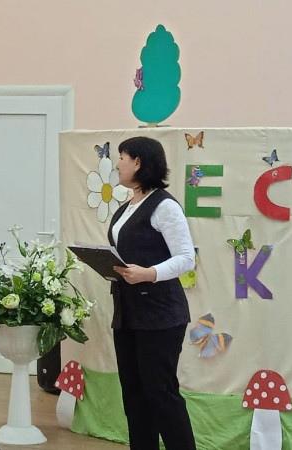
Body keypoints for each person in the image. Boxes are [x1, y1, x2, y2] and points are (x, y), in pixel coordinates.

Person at [108, 137, 196, 450]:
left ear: (138, 162)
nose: (118, 163)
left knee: (160, 393)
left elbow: (186, 258)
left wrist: (149, 273)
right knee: (133, 394)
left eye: (122, 157)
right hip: (128, 314)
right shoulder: (127, 206)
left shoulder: (165, 206)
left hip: (160, 316)